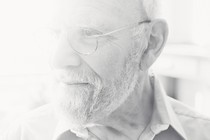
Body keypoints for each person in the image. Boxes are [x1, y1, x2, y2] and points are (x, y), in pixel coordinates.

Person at [2, 0, 210, 140]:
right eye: (55, 33)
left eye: (88, 33)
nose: (57, 60)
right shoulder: (25, 133)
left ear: (150, 43)